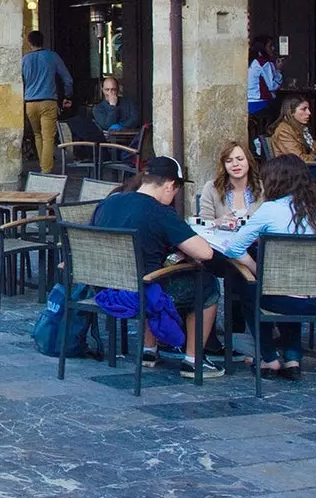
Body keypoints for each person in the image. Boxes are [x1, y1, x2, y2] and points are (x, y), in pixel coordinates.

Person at [92, 156, 223, 379]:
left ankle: (149, 351)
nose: (173, 197)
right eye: (176, 191)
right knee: (207, 285)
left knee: (152, 277)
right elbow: (205, 253)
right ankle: (194, 361)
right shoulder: (160, 212)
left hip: (103, 287)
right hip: (140, 292)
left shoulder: (109, 202)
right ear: (170, 185)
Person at [221, 155, 316, 379]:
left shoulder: (269, 210)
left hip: (280, 299)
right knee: (288, 287)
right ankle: (292, 357)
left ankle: (269, 358)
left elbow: (233, 248)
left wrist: (256, 269)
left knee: (251, 289)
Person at [22, 30, 72, 174]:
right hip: (48, 101)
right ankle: (46, 170)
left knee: (37, 135)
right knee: (48, 137)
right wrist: (68, 95)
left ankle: (42, 166)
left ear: (29, 42)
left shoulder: (24, 60)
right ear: (43, 41)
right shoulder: (52, 56)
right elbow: (67, 79)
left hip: (30, 102)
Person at [196, 140, 263, 229]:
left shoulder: (264, 188)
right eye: (229, 161)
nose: (235, 164)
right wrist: (217, 222)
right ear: (224, 165)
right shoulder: (211, 188)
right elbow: (203, 224)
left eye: (240, 159)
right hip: (219, 240)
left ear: (249, 161)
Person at [247, 39, 279, 116]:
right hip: (261, 103)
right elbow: (272, 86)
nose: (273, 48)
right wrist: (278, 71)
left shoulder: (249, 62)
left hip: (248, 102)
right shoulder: (263, 63)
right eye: (270, 46)